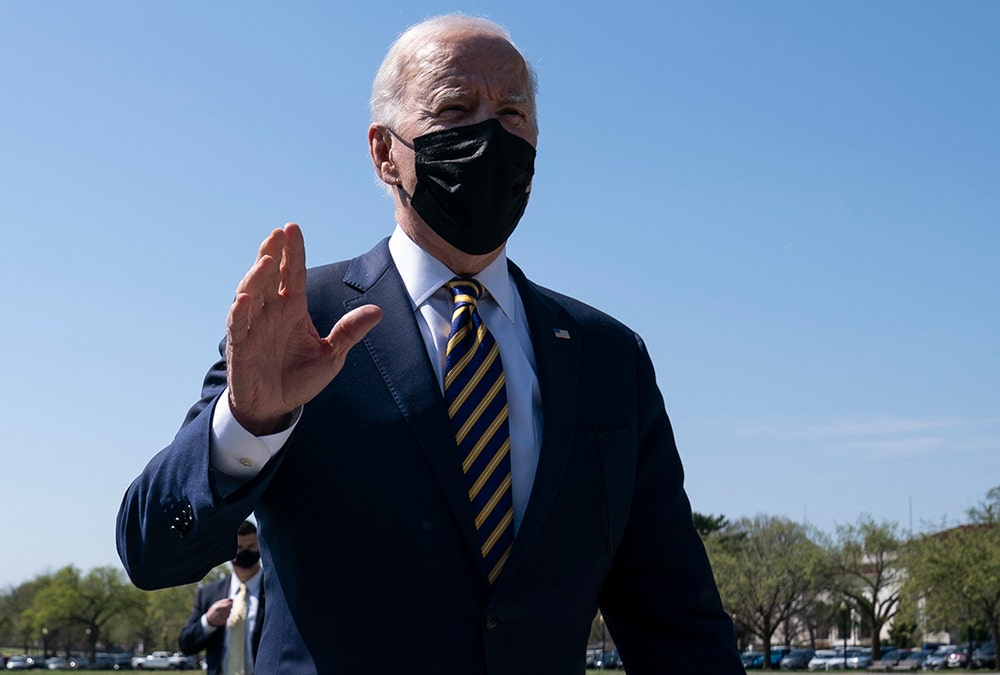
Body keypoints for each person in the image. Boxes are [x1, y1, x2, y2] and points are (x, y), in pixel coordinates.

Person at [117, 13, 743, 674]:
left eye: (510, 112)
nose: (489, 133)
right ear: (385, 152)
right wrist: (247, 426)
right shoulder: (302, 321)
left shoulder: (607, 356)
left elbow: (676, 618)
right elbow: (152, 550)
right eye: (454, 108)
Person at [178, 521, 264, 675]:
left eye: (250, 547)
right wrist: (208, 622)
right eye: (238, 548)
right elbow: (186, 644)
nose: (245, 553)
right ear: (228, 549)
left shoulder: (277, 592)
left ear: (260, 546)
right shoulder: (209, 593)